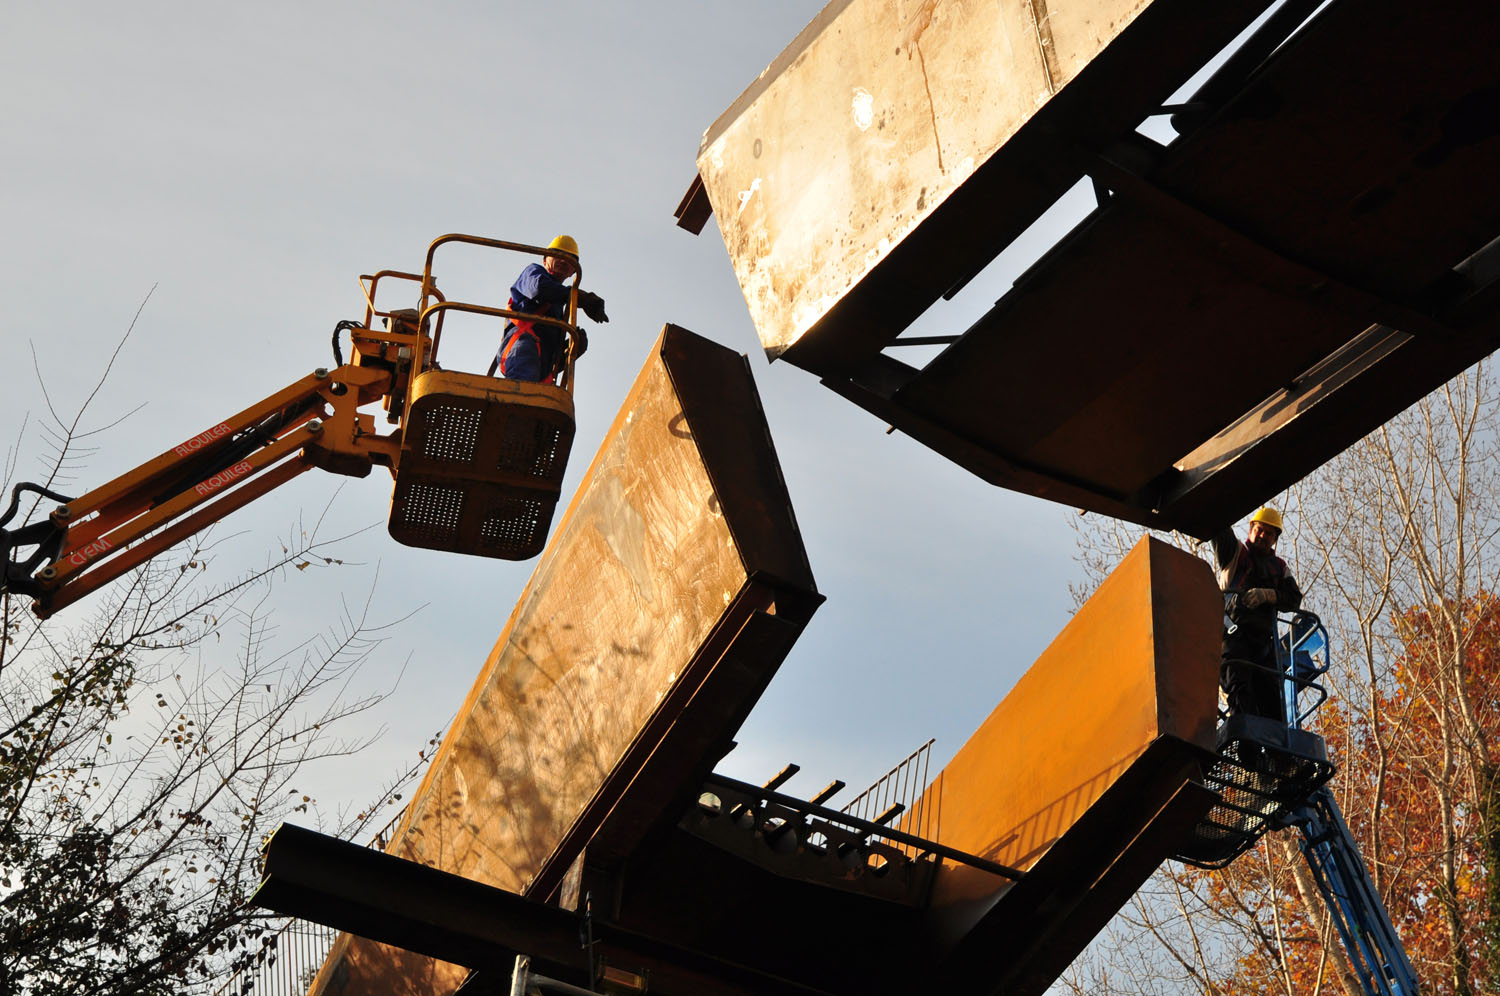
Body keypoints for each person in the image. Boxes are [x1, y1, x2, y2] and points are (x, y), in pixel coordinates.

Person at [1213, 507, 1302, 721]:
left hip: (1263, 644)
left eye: (1269, 533)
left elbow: (1293, 599)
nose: (1263, 536)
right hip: (1232, 637)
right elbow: (1217, 522)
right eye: (1260, 530)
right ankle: (1247, 748)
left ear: (1275, 539)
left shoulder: (1279, 568)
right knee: (1240, 691)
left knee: (1272, 703)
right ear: (1251, 529)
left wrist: (1270, 595)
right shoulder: (1234, 553)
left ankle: (1277, 752)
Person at [488, 234, 609, 382]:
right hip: (521, 350)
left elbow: (548, 356)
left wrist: (569, 351)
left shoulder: (559, 306)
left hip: (539, 370)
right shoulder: (533, 273)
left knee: (532, 395)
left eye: (570, 258)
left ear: (573, 272)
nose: (564, 260)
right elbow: (539, 289)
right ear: (545, 259)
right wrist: (579, 297)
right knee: (521, 392)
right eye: (558, 255)